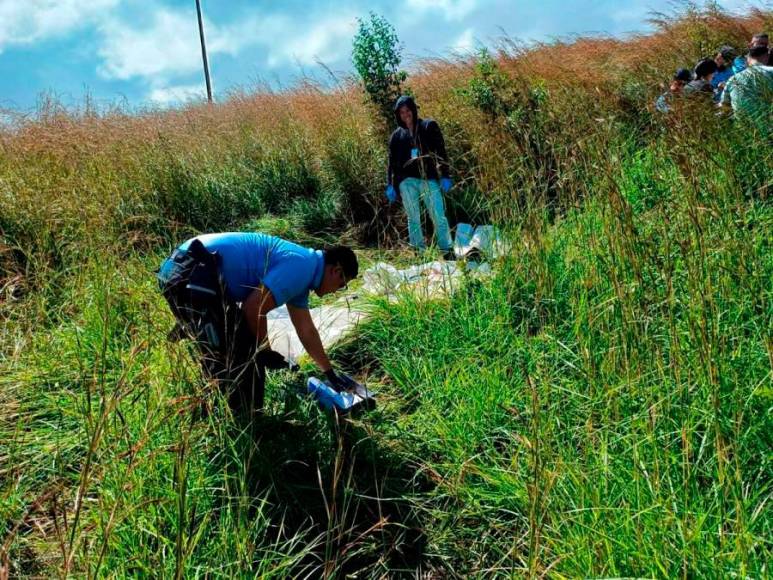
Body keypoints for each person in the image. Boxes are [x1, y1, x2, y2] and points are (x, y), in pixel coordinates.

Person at [157, 232, 359, 411]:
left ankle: (216, 407)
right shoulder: (302, 267)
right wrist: (265, 350)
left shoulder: (305, 272)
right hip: (191, 273)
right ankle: (243, 419)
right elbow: (254, 307)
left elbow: (306, 330)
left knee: (233, 345)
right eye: (341, 285)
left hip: (184, 268)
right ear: (336, 270)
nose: (336, 291)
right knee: (243, 355)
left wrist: (329, 373)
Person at [386, 95, 455, 259]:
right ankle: (419, 252)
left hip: (428, 179)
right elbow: (391, 163)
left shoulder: (428, 126)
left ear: (414, 110)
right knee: (413, 217)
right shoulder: (396, 136)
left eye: (408, 110)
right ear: (398, 115)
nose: (405, 115)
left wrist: (445, 175)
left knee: (438, 214)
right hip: (407, 182)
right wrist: (391, 184)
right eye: (401, 112)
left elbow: (441, 152)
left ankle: (447, 250)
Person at [719, 45, 773, 139]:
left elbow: (724, 106)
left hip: (745, 132)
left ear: (748, 58)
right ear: (767, 56)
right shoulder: (771, 72)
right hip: (769, 128)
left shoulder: (732, 79)